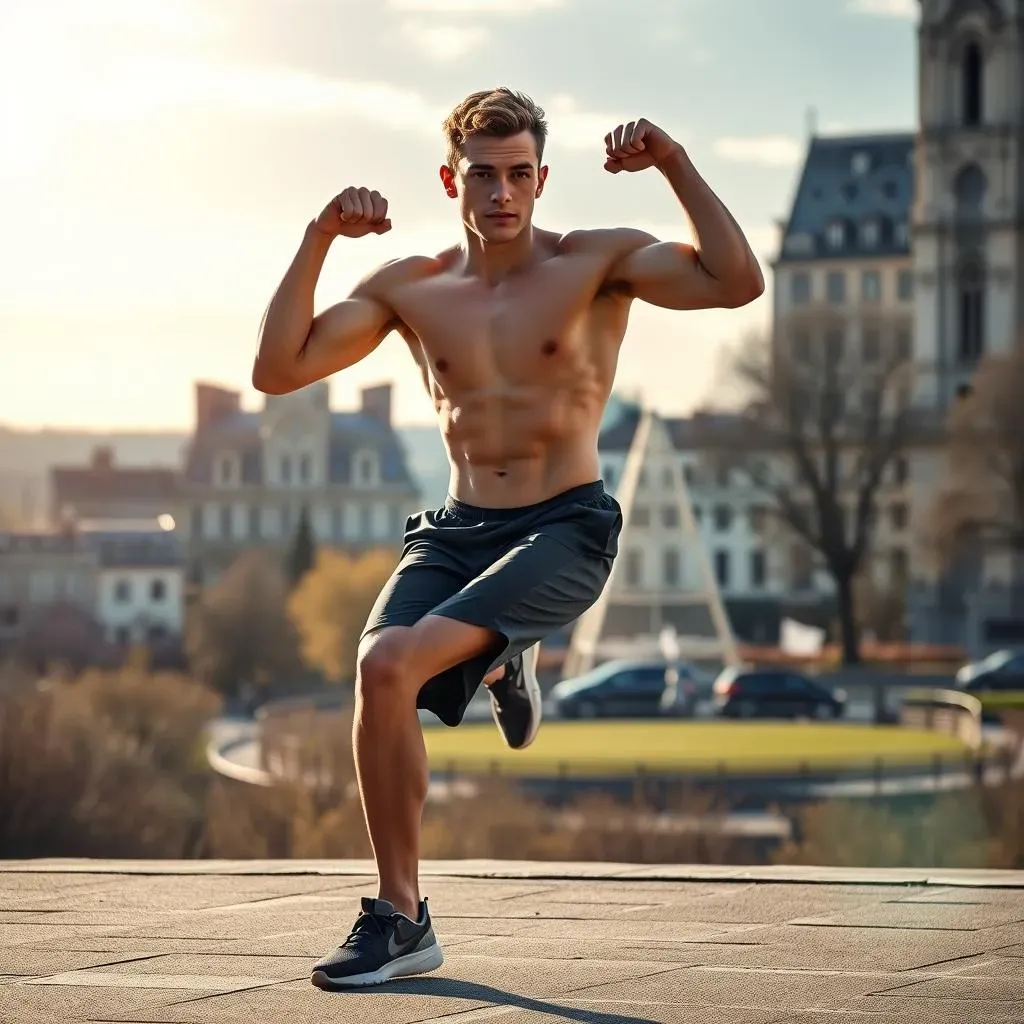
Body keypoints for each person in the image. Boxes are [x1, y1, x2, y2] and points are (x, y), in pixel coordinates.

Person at [252, 87, 763, 989]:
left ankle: (501, 652)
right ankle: (402, 917)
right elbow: (279, 367)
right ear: (452, 179)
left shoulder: (595, 264)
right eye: (483, 176)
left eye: (519, 175)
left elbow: (736, 281)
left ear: (542, 180)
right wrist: (319, 235)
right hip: (455, 533)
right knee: (379, 668)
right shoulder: (410, 287)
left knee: (406, 658)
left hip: (564, 527)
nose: (502, 194)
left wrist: (674, 161)